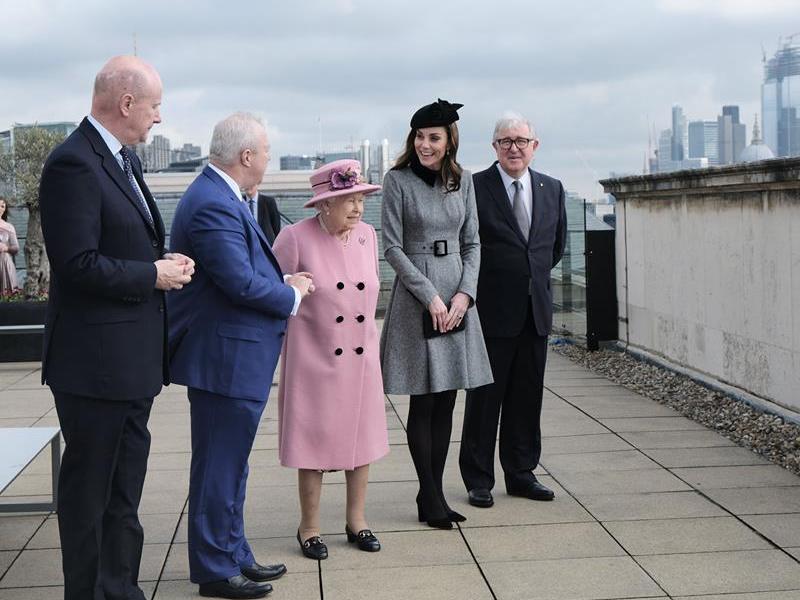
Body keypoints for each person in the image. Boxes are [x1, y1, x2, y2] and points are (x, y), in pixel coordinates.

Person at [38, 56, 194, 600]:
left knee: (124, 495)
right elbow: (76, 264)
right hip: (93, 368)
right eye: (154, 106)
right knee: (90, 498)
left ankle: (121, 590)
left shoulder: (124, 160)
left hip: (131, 366)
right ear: (127, 103)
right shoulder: (73, 164)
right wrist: (152, 274)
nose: (158, 117)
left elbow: (122, 246)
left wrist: (161, 262)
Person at [167, 112, 313, 600]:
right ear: (246, 156)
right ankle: (214, 570)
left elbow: (244, 270)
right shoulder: (212, 201)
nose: (269, 158)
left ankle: (234, 554)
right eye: (266, 151)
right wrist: (290, 296)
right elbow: (236, 281)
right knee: (218, 466)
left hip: (234, 357)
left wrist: (280, 282)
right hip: (223, 359)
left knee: (232, 464)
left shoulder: (222, 196)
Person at [379, 99, 493, 529]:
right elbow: (391, 246)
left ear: (449, 142)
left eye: (434, 138)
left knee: (447, 398)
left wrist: (465, 295)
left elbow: (473, 243)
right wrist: (430, 296)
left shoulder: (462, 182)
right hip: (418, 297)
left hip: (457, 294)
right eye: (420, 137)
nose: (425, 145)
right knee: (424, 401)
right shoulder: (397, 181)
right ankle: (428, 495)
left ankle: (435, 494)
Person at [272, 159, 389, 560]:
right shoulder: (294, 238)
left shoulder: (368, 236)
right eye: (347, 200)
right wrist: (290, 285)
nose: (357, 208)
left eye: (359, 199)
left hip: (360, 357)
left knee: (362, 441)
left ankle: (357, 521)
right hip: (315, 359)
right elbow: (268, 288)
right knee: (314, 444)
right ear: (323, 204)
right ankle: (310, 527)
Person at [459, 112, 567, 509]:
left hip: (534, 311)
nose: (514, 148)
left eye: (521, 140)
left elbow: (553, 249)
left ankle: (521, 473)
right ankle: (478, 478)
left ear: (534, 147)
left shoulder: (552, 189)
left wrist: (528, 278)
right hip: (490, 311)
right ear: (494, 148)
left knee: (526, 398)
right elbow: (465, 245)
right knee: (485, 399)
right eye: (505, 141)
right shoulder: (474, 188)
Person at [0, 197, 19, 293]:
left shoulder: (9, 227)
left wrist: (6, 248)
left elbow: (16, 248)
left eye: (3, 206)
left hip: (5, 263)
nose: (0, 208)